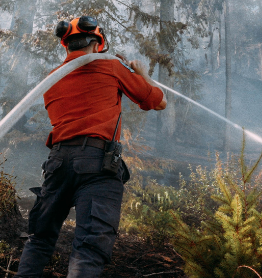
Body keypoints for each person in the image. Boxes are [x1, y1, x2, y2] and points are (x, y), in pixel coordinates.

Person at [15, 16, 166, 278]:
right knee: (89, 248)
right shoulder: (111, 67)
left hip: (58, 163)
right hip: (98, 164)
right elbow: (158, 102)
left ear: (66, 45)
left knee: (39, 240)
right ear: (98, 43)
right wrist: (143, 74)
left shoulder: (52, 80)